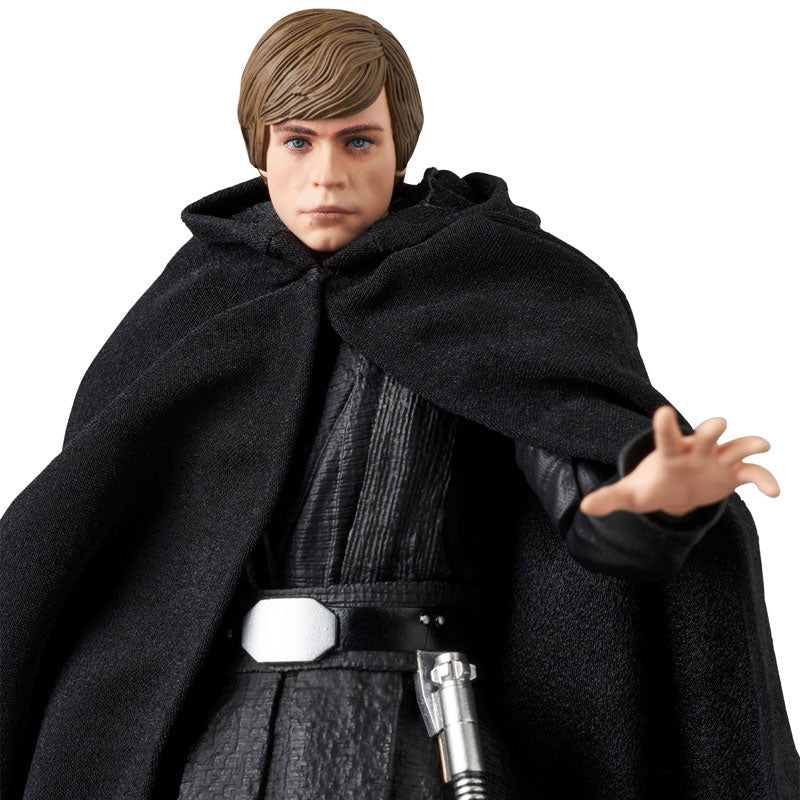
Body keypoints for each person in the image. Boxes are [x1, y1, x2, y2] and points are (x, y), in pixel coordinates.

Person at [1, 8, 797, 800]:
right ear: (261, 149)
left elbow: (578, 486)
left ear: (399, 148)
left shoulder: (488, 290)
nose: (326, 175)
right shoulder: (193, 308)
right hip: (220, 739)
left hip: (421, 727)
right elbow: (96, 537)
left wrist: (654, 504)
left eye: (358, 141)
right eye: (298, 142)